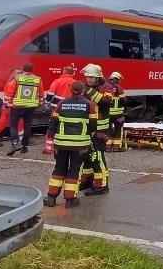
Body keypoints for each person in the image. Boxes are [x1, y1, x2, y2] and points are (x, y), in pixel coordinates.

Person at [42, 81, 99, 208]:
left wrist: (51, 141)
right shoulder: (89, 105)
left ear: (70, 90)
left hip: (61, 144)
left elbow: (53, 122)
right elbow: (93, 125)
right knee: (74, 170)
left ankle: (51, 198)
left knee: (59, 168)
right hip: (80, 145)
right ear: (83, 91)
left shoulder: (62, 103)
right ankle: (70, 200)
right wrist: (86, 135)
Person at [78, 63, 113, 195]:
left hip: (100, 130)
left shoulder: (107, 87)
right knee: (87, 156)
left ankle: (102, 185)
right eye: (87, 77)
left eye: (91, 77)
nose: (88, 79)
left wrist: (89, 91)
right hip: (87, 128)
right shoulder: (86, 87)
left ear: (98, 77)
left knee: (97, 156)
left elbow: (105, 102)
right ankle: (88, 180)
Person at [6, 63, 43, 156]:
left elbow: (10, 91)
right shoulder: (38, 79)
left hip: (17, 106)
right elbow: (41, 93)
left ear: (23, 69)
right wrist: (40, 103)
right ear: (32, 69)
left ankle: (15, 143)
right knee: (27, 125)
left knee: (13, 125)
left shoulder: (18, 78)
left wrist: (8, 103)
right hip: (31, 106)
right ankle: (24, 146)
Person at [0, 68, 24, 147]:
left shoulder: (11, 81)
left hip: (10, 105)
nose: (20, 74)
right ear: (13, 73)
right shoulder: (13, 82)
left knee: (15, 122)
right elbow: (10, 94)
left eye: (21, 72)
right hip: (10, 106)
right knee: (5, 121)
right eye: (18, 72)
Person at [107, 71, 126, 148]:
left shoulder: (106, 86)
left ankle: (108, 147)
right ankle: (116, 147)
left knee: (108, 129)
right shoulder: (118, 87)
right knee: (118, 129)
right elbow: (123, 100)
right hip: (117, 114)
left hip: (107, 113)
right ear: (117, 79)